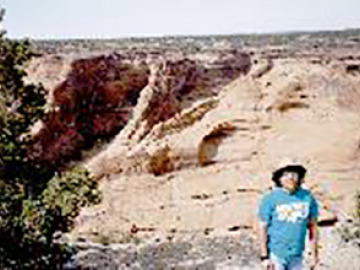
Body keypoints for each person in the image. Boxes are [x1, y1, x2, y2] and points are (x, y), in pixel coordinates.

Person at [258, 158, 319, 270]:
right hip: (276, 255)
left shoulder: (308, 197)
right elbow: (263, 228)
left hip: (298, 256)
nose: (290, 177)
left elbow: (313, 228)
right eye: (286, 174)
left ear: (299, 176)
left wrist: (314, 256)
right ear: (279, 178)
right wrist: (264, 257)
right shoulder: (270, 198)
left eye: (294, 173)